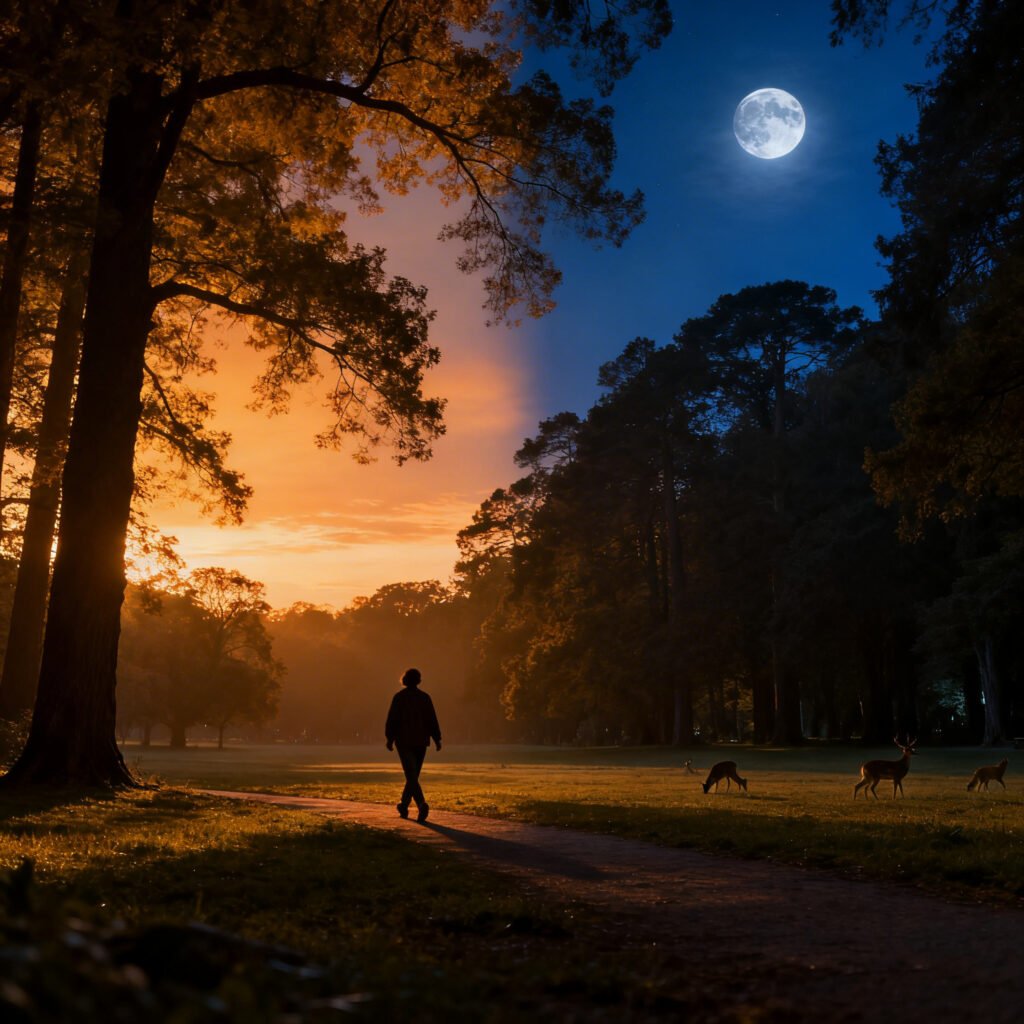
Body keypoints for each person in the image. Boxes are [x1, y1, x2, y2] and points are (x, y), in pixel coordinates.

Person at [385, 667, 442, 822]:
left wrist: (389, 738)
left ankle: (421, 804)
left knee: (411, 774)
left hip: (403, 741)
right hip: (421, 741)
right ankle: (403, 804)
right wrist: (437, 739)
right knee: (413, 774)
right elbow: (432, 720)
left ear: (404, 680)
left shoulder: (399, 697)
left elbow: (392, 720)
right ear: (419, 680)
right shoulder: (425, 698)